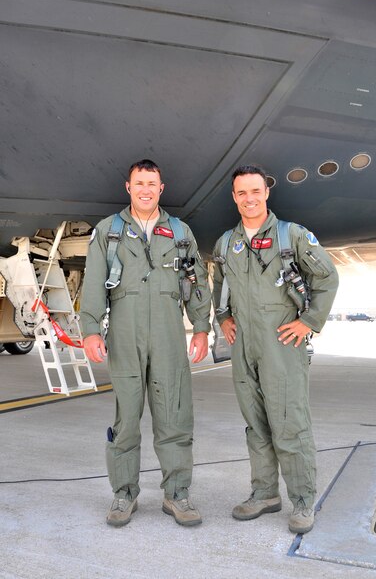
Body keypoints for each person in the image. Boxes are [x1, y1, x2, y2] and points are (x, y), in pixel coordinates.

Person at [80, 159, 211, 527]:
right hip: (124, 332)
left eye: (152, 183)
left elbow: (196, 282)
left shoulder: (180, 231)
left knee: (175, 417)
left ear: (161, 188)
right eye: (139, 183)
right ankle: (124, 495)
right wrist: (90, 329)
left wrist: (201, 327)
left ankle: (177, 495)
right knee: (126, 420)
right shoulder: (109, 231)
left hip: (169, 334)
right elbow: (93, 284)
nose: (145, 190)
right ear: (128, 187)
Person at [212, 164, 338, 534]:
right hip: (244, 345)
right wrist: (224, 319)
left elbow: (327, 278)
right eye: (241, 193)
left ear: (266, 193)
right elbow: (220, 283)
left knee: (290, 424)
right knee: (256, 424)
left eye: (255, 191)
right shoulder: (227, 243)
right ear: (234, 197)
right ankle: (265, 493)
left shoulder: (292, 236)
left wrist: (309, 322)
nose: (249, 199)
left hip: (282, 343)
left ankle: (302, 501)